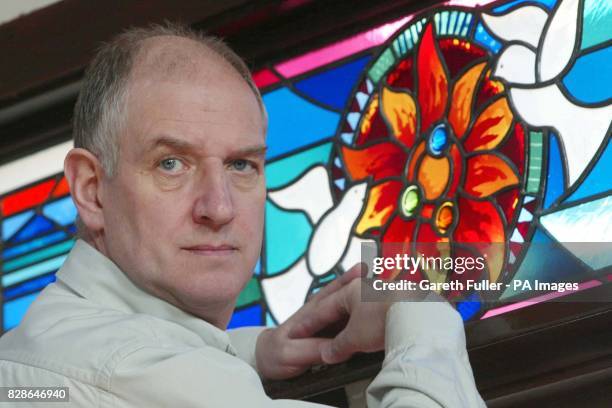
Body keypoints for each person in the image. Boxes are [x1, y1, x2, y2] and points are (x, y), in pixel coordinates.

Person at [0, 23, 485, 407]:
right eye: (171, 164)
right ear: (91, 190)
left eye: (241, 165)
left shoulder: (49, 343)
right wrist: (419, 313)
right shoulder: (127, 369)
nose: (219, 207)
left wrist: (249, 350)